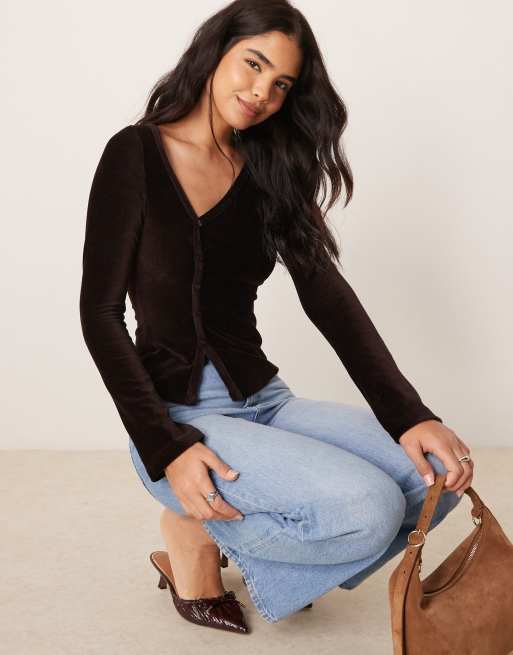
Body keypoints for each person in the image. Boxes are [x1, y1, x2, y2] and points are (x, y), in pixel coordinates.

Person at [79, 0, 473, 634]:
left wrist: (410, 415)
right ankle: (191, 532)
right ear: (215, 53)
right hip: (182, 416)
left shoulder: (270, 169)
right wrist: (165, 447)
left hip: (266, 400)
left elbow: (328, 298)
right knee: (368, 509)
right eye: (253, 64)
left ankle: (212, 533)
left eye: (282, 83)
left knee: (438, 475)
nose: (262, 92)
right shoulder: (135, 153)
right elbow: (100, 314)